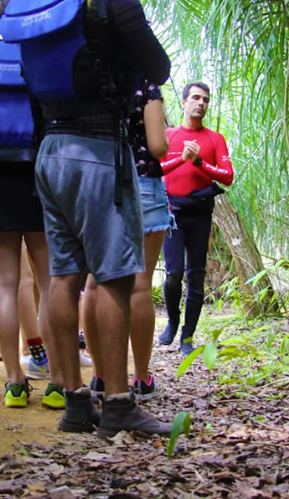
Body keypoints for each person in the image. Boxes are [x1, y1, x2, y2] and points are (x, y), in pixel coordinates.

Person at [21, 0, 172, 437]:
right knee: (112, 276)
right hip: (97, 150)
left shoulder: (33, 2)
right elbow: (158, 68)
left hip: (49, 150)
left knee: (63, 276)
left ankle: (75, 403)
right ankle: (120, 404)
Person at [0, 0, 56, 409]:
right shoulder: (42, 57)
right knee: (49, 280)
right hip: (39, 173)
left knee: (2, 282)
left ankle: (14, 382)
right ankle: (59, 380)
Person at [84, 79, 170, 402]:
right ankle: (142, 379)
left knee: (94, 281)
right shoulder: (144, 84)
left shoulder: (92, 78)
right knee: (140, 284)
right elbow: (158, 145)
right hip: (143, 182)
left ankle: (99, 376)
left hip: (98, 183)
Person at [159, 82, 233, 355]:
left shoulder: (214, 139)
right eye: (195, 98)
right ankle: (172, 321)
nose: (200, 103)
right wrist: (182, 159)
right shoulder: (168, 135)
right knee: (173, 273)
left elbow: (227, 176)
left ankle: (187, 337)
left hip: (201, 213)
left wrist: (200, 161)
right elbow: (155, 169)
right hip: (172, 214)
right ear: (183, 102)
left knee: (196, 275)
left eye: (205, 99)